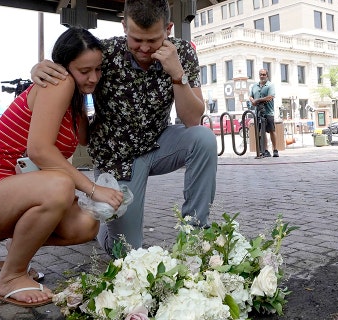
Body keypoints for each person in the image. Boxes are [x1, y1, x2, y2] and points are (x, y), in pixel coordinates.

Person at [0, 27, 124, 308]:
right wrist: (92, 188)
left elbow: (86, 138)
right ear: (63, 67)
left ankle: (16, 253)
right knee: (59, 185)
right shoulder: (59, 83)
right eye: (85, 70)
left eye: (98, 69)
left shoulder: (76, 99)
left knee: (86, 224)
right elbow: (40, 150)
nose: (94, 77)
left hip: (8, 194)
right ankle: (11, 277)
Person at [31, 0, 217, 257]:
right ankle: (102, 231)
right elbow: (70, 65)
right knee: (127, 252)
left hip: (159, 142)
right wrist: (38, 68)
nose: (143, 48)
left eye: (152, 40)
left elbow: (192, 120)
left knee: (203, 138)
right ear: (124, 27)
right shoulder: (104, 53)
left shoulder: (182, 53)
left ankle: (197, 234)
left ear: (169, 29)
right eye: (136, 39)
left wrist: (177, 74)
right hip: (117, 157)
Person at [249, 68, 278, 158]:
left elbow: (270, 97)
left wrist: (257, 100)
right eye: (261, 74)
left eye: (264, 74)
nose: (262, 76)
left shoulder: (270, 85)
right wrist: (252, 100)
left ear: (267, 75)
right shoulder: (254, 86)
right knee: (262, 132)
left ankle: (275, 149)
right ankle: (265, 150)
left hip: (268, 112)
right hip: (258, 113)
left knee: (272, 130)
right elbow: (250, 96)